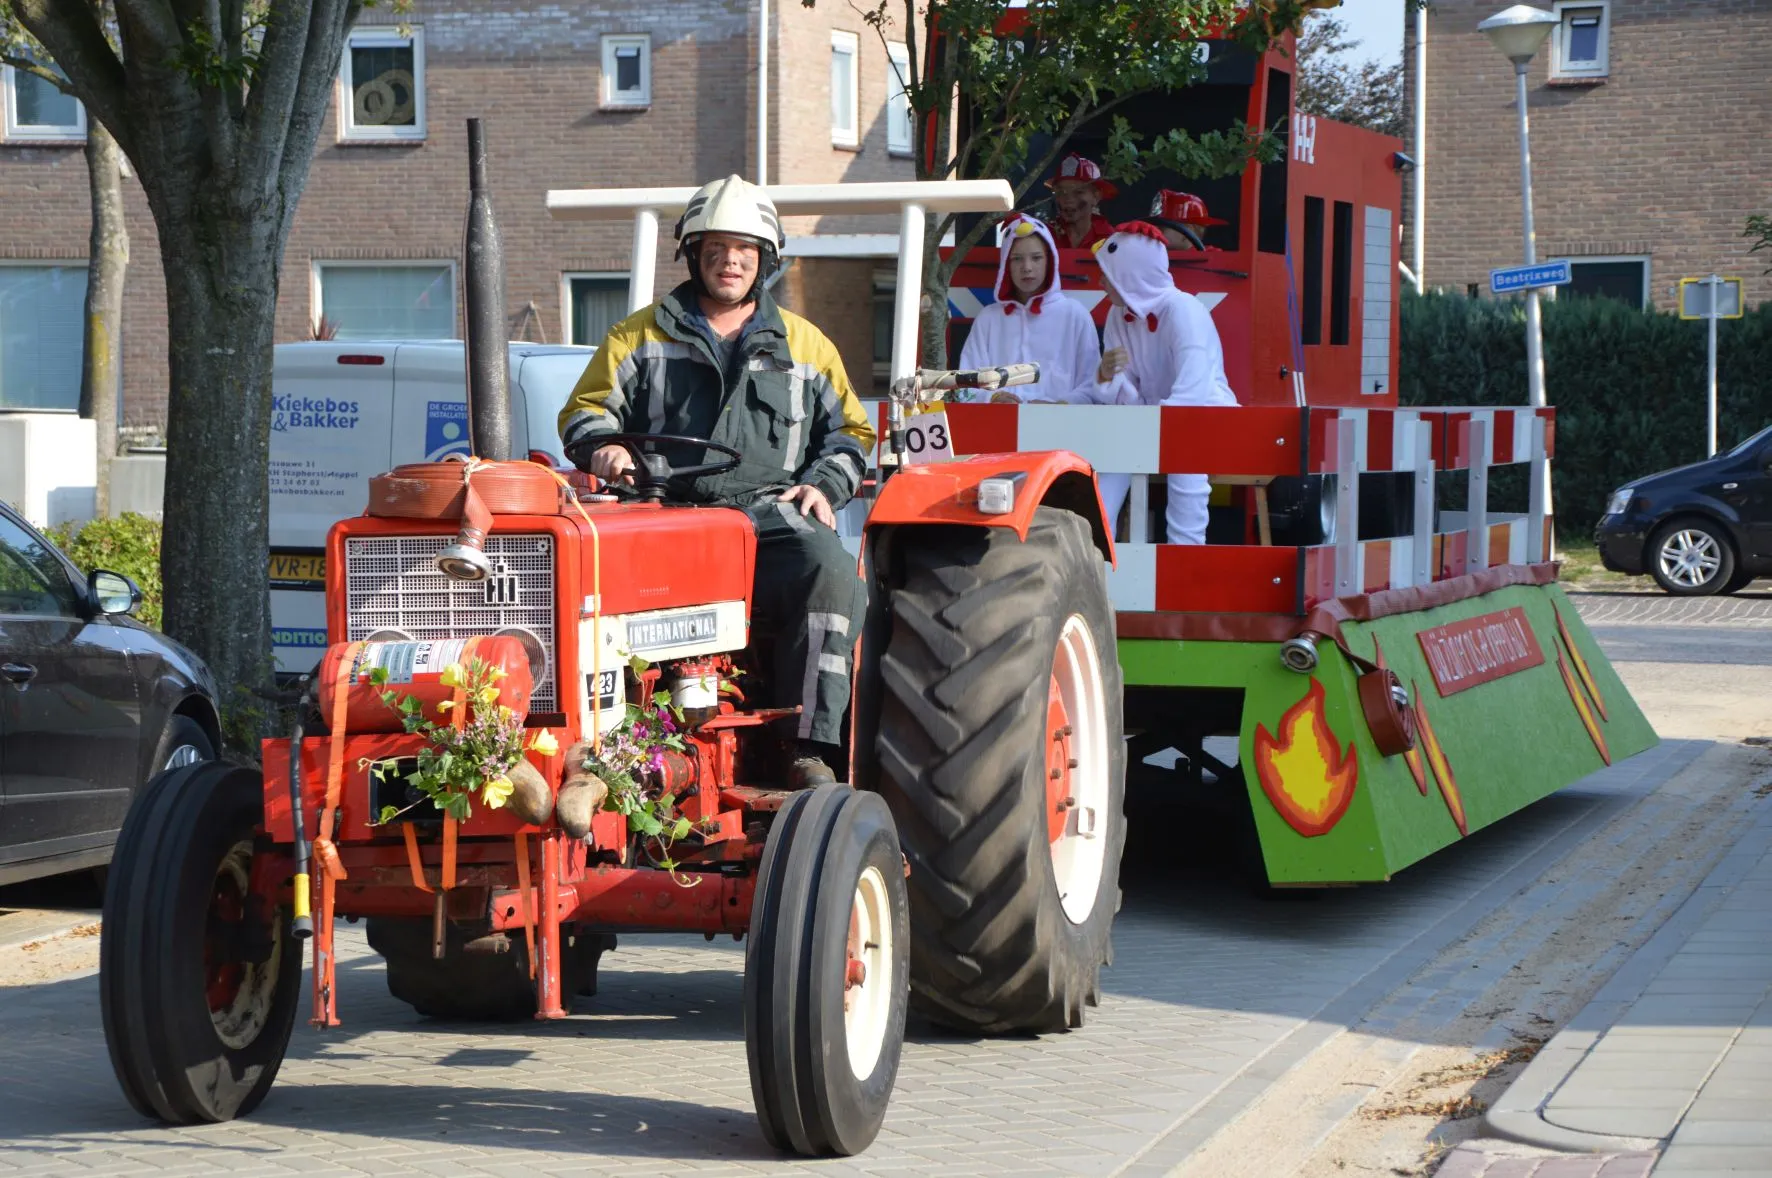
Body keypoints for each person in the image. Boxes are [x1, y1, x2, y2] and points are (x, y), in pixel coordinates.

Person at [558, 175, 875, 789]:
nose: (730, 260)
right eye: (717, 248)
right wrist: (607, 448)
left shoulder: (807, 345)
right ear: (694, 254)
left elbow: (852, 435)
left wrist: (822, 486)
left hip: (766, 513)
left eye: (744, 250)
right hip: (660, 508)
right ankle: (614, 742)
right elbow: (585, 411)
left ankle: (807, 748)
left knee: (829, 572)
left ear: (764, 261)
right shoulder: (638, 334)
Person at [1091, 221, 1238, 545]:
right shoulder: (1118, 315)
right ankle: (1097, 553)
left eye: (1108, 272)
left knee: (1186, 456)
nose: (1100, 280)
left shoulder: (1184, 311)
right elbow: (1124, 393)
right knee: (1108, 461)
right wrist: (1106, 375)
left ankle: (1185, 555)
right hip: (1151, 418)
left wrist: (1152, 423)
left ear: (1132, 274)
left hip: (1205, 417)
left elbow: (1193, 390)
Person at [958, 215, 1102, 405]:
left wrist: (1061, 405)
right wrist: (992, 398)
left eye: (1036, 258)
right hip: (998, 426)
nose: (1027, 267)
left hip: (1061, 428)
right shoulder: (988, 318)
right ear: (1006, 265)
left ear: (1050, 261)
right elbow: (965, 388)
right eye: (1017, 259)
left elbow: (1093, 386)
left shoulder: (1075, 315)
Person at [1045, 153, 1118, 250]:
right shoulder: (1044, 236)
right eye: (1061, 192)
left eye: (1078, 192)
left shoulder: (1111, 240)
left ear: (1096, 197)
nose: (1068, 199)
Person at [1146, 189, 1228, 253]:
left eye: (1161, 227)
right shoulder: (1152, 255)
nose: (1154, 231)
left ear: (1187, 231)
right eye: (1154, 226)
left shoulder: (1212, 259)